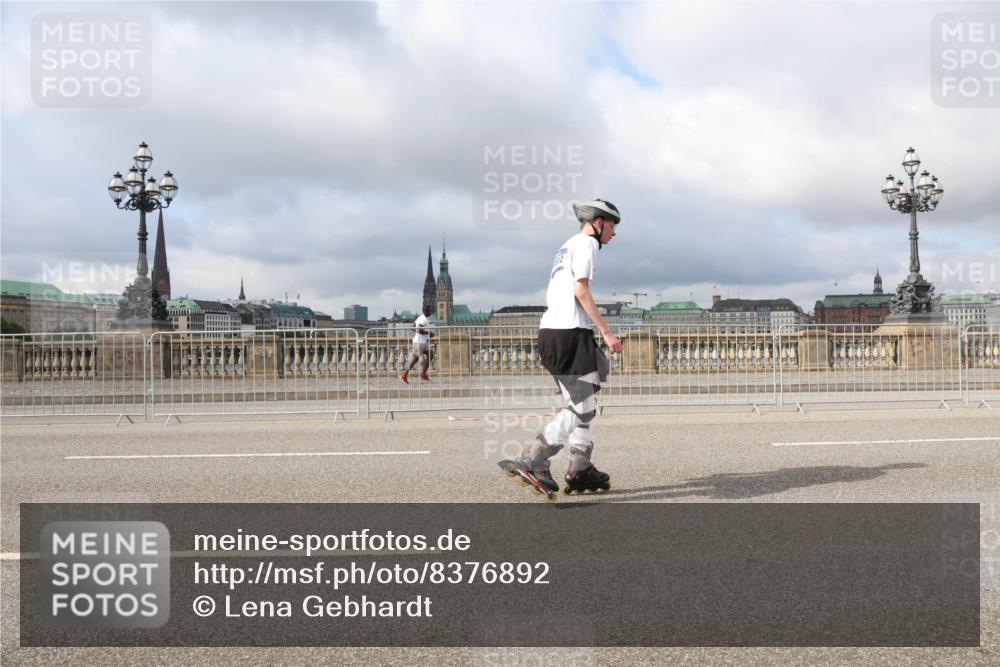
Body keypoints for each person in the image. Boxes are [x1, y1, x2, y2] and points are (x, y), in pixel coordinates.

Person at [499, 199, 624, 500]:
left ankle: (581, 466)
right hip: (569, 335)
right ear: (598, 222)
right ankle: (534, 459)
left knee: (584, 402)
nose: (614, 233)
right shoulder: (586, 244)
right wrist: (606, 333)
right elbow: (580, 290)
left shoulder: (566, 246)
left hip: (554, 334)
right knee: (582, 407)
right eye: (612, 226)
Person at [400, 305, 435, 384]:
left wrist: (423, 333)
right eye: (430, 310)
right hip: (419, 342)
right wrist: (429, 333)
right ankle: (404, 375)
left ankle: (423, 374)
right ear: (427, 311)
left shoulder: (420, 317)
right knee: (415, 359)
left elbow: (413, 327)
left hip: (422, 341)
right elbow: (419, 329)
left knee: (431, 354)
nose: (431, 312)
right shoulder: (423, 319)